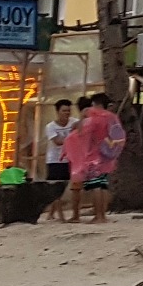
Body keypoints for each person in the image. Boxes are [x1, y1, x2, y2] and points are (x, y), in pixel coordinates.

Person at [66, 94, 126, 223]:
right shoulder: (110, 117)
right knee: (102, 185)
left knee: (96, 185)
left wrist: (81, 119)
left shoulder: (94, 119)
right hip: (105, 156)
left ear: (95, 104)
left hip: (92, 157)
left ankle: (98, 216)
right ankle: (102, 215)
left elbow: (81, 133)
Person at [43, 99, 76, 218]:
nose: (67, 113)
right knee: (55, 187)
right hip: (55, 160)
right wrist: (72, 137)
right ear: (57, 112)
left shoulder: (74, 122)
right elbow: (57, 141)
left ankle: (51, 213)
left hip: (69, 159)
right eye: (64, 111)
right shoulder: (50, 127)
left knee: (63, 186)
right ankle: (60, 215)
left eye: (68, 111)